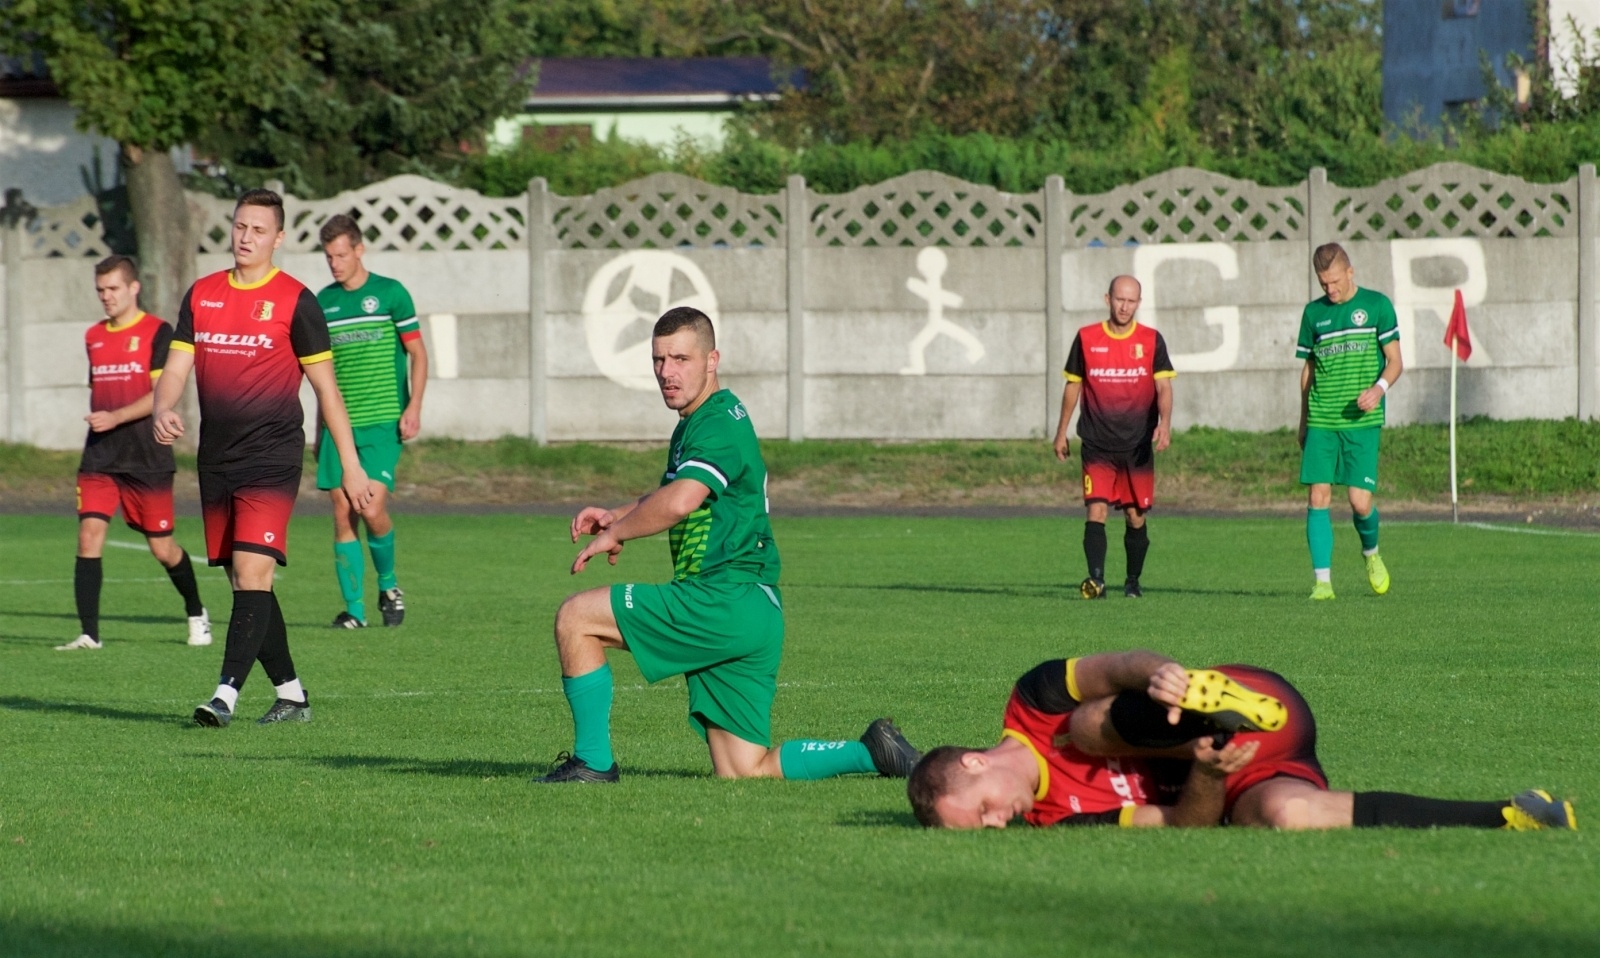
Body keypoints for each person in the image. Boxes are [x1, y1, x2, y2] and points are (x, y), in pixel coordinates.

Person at [542, 306, 920, 783]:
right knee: (744, 769)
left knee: (576, 619)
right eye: (659, 359)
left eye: (681, 359)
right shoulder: (706, 420)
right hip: (754, 608)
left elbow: (682, 501)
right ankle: (872, 753)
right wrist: (617, 515)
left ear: (712, 359)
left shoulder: (715, 423)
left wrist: (618, 534)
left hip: (720, 598)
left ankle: (592, 763)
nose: (666, 372)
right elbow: (677, 493)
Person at [907, 650, 1578, 833]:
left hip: (1247, 696)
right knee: (1287, 817)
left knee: (1083, 727)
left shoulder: (1032, 701)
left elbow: (1120, 664)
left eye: (983, 809)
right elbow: (1183, 825)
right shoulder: (1056, 820)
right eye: (987, 828)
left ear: (975, 762)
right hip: (1251, 766)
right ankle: (1510, 814)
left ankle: (1209, 707)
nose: (999, 823)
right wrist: (1208, 773)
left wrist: (1161, 674)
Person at [152, 189, 374, 728]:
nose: (246, 237)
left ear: (278, 238)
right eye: (240, 226)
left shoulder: (297, 301)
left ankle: (224, 695)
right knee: (245, 582)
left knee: (253, 570)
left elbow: (328, 391)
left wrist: (351, 465)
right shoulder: (202, 295)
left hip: (272, 457)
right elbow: (176, 368)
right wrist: (162, 406)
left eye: (258, 229)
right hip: (216, 460)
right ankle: (292, 695)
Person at [56, 255, 209, 651]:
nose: (106, 296)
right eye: (100, 290)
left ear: (133, 287)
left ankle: (196, 612)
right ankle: (89, 635)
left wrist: (115, 416)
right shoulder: (93, 336)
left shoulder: (158, 331)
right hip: (100, 457)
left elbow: (160, 395)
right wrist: (104, 419)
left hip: (146, 458)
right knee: (88, 536)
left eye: (113, 288)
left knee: (163, 548)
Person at [314, 213, 429, 629]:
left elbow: (418, 354)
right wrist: (319, 429)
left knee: (372, 506)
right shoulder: (322, 303)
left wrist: (413, 406)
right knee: (342, 511)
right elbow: (321, 374)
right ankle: (355, 611)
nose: (335, 264)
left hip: (382, 421)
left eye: (341, 255)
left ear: (359, 250)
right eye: (329, 257)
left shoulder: (390, 294)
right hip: (339, 425)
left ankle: (389, 585)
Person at [1052, 275, 1174, 599]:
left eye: (1131, 301)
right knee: (1096, 510)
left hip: (1136, 446)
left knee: (1135, 517)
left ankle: (1132, 580)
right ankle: (1097, 581)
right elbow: (1073, 386)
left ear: (1138, 303)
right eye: (1120, 299)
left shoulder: (1151, 340)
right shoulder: (1086, 338)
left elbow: (1163, 387)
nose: (1125, 306)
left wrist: (1165, 423)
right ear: (1107, 299)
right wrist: (1061, 431)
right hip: (1097, 444)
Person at [1297, 242, 1403, 601]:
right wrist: (1303, 420)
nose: (1330, 289)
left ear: (1350, 271)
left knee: (1359, 502)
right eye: (1323, 283)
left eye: (1335, 281)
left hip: (1361, 422)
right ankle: (1322, 583)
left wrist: (1378, 389)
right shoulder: (1313, 314)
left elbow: (1395, 362)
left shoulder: (1377, 306)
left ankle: (1371, 553)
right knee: (1318, 495)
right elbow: (1308, 370)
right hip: (1322, 419)